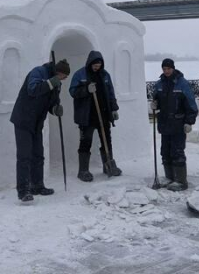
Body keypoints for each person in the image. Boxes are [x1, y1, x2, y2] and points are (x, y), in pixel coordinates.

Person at [10, 58, 71, 202]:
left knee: (38, 155)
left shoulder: (57, 84)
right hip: (23, 120)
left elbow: (51, 103)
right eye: (63, 76)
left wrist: (56, 109)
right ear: (58, 72)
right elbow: (33, 90)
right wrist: (50, 83)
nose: (63, 79)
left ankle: (37, 185)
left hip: (37, 123)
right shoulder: (38, 72)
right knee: (24, 156)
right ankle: (23, 191)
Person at [69, 51, 121, 181]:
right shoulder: (80, 74)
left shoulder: (105, 75)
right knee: (86, 141)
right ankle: (83, 170)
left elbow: (110, 92)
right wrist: (86, 90)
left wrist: (114, 108)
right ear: (90, 63)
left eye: (99, 64)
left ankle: (108, 165)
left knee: (106, 141)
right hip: (86, 116)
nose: (97, 67)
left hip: (103, 114)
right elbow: (73, 91)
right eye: (95, 64)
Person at [149, 58, 198, 191]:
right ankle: (169, 177)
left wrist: (189, 121)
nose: (166, 71)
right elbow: (156, 99)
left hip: (178, 123)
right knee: (165, 151)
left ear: (173, 68)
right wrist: (154, 104)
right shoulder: (159, 84)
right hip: (164, 123)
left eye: (168, 69)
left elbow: (191, 103)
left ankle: (181, 180)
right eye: (164, 69)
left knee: (177, 151)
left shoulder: (182, 84)